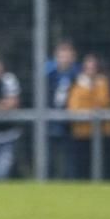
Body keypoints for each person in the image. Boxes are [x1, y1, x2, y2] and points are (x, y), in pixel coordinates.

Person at [66, 52, 110, 179]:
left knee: (104, 166)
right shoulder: (77, 85)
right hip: (82, 133)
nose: (90, 70)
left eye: (93, 67)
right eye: (88, 67)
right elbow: (74, 108)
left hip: (102, 132)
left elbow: (104, 103)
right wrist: (90, 112)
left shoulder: (103, 83)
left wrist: (94, 87)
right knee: (82, 167)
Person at [45, 40, 80, 179]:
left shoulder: (78, 74)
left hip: (71, 123)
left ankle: (71, 182)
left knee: (70, 159)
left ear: (73, 57)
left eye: (67, 55)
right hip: (49, 121)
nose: (64, 58)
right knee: (48, 157)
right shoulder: (48, 74)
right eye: (61, 55)